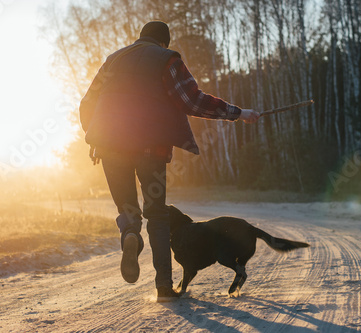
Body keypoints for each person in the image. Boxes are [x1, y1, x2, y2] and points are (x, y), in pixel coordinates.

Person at [79, 21, 260, 301]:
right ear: (163, 42)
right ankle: (164, 286)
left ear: (140, 38)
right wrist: (238, 113)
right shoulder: (167, 59)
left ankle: (130, 233)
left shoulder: (113, 60)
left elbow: (87, 102)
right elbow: (192, 100)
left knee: (127, 207)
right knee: (157, 213)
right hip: (149, 147)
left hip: (110, 146)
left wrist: (93, 138)